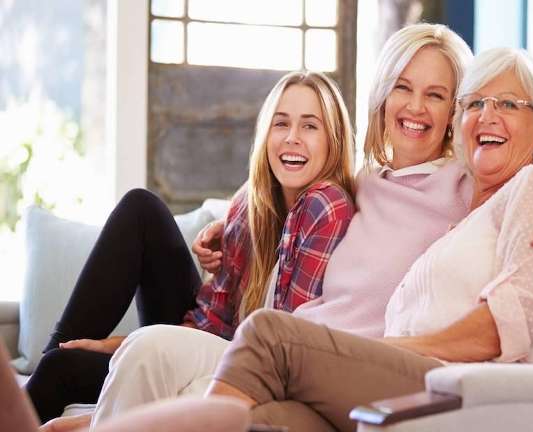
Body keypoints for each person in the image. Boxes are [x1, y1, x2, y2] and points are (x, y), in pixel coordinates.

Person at [83, 23, 533, 430]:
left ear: (450, 115)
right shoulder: (361, 181)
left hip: (345, 361)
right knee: (149, 347)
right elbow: (284, 179)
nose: (415, 107)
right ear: (382, 95)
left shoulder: (469, 183)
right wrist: (231, 219)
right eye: (403, 88)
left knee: (252, 351)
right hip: (297, 348)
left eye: (437, 95)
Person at [206, 46, 533, 432]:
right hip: (412, 378)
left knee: (268, 334)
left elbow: (507, 325)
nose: (487, 116)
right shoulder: (461, 215)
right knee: (270, 421)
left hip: (473, 389)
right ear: (460, 120)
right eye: (475, 104)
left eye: (508, 104)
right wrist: (234, 221)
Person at [29, 71, 356, 427]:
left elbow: (283, 346)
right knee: (140, 210)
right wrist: (120, 345)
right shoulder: (250, 205)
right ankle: (59, 350)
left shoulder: (326, 205)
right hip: (202, 344)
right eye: (281, 124)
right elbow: (210, 323)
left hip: (240, 367)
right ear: (265, 135)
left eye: (310, 126)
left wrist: (126, 352)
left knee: (58, 370)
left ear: (334, 140)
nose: (292, 138)